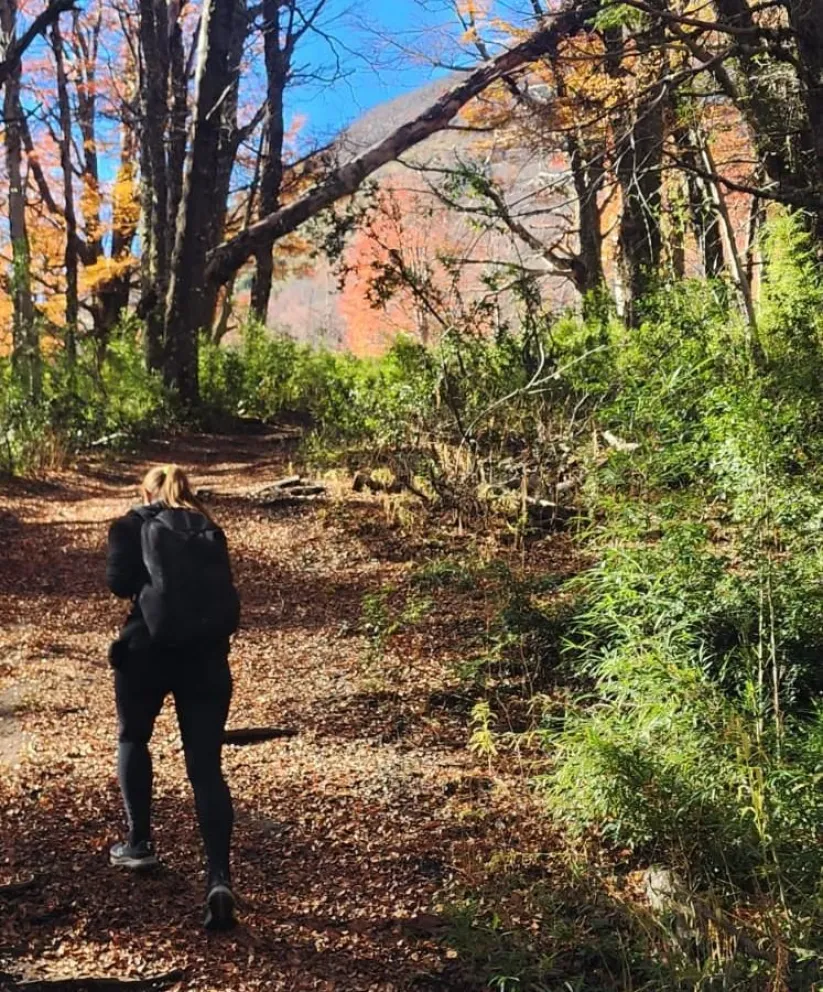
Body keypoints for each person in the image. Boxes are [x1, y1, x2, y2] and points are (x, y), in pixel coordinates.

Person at [105, 464, 240, 931]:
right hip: (205, 658)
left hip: (145, 651)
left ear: (146, 492)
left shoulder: (129, 524)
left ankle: (139, 843)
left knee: (134, 738)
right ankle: (219, 878)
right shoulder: (207, 527)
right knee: (206, 768)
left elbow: (118, 582)